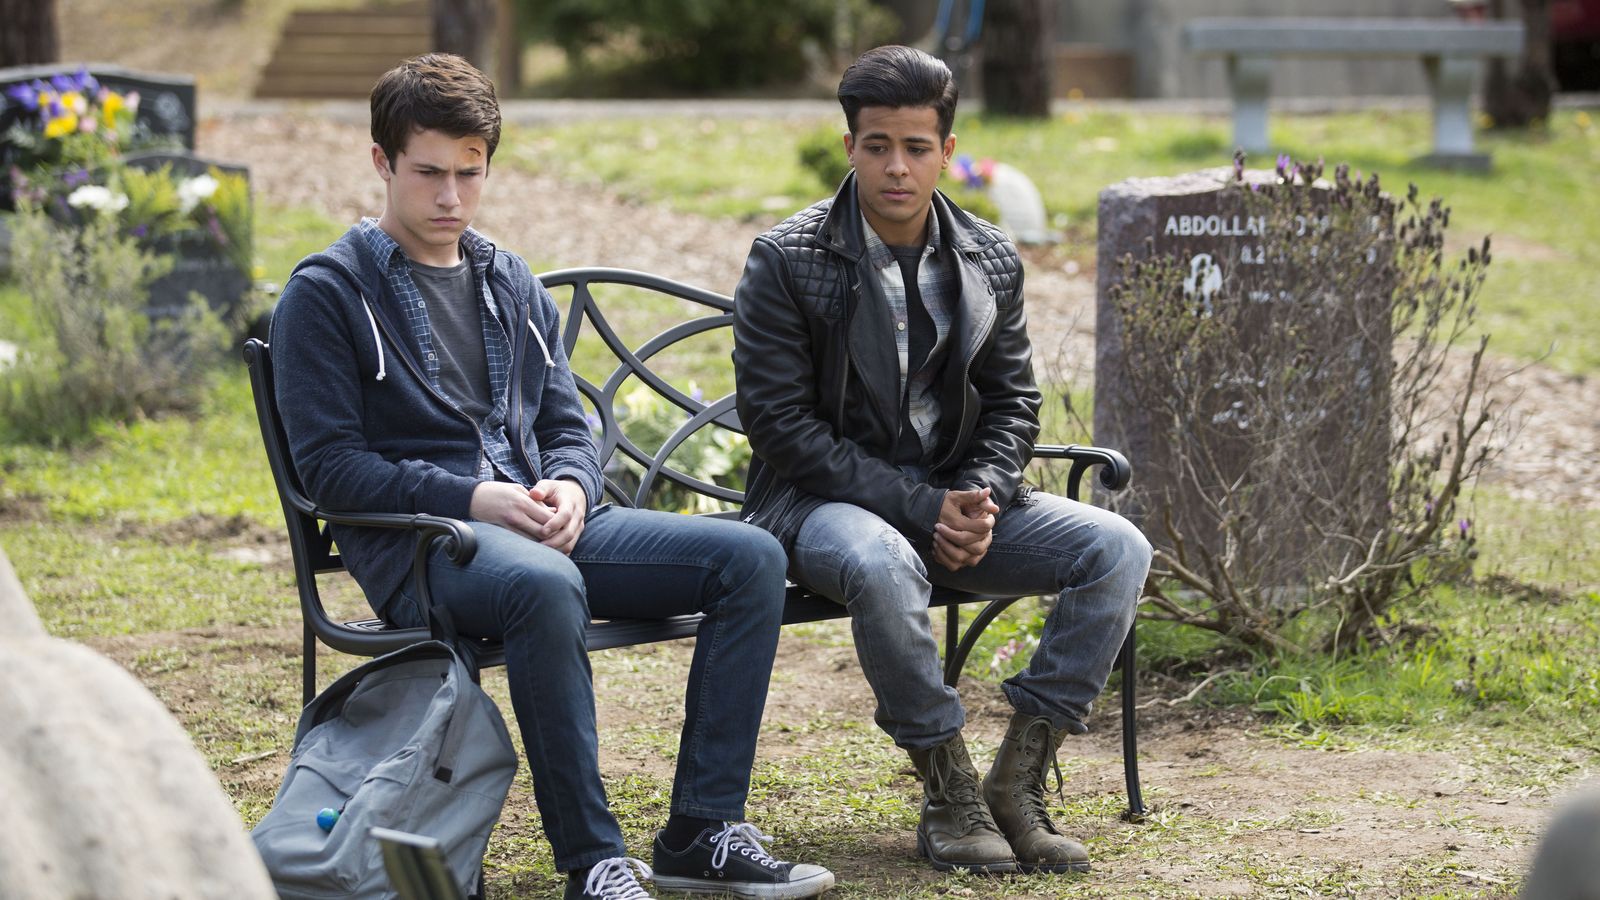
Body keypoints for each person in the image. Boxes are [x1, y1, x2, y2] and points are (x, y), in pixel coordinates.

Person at [270, 53, 833, 900]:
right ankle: (593, 861)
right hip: (429, 545)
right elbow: (331, 470)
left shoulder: (508, 281)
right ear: (382, 161)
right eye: (428, 173)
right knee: (544, 585)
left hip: (539, 523)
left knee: (750, 556)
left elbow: (568, 425)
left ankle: (701, 832)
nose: (451, 196)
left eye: (470, 173)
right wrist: (473, 498)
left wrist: (571, 484)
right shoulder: (328, 294)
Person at [732, 45, 1151, 876]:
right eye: (877, 145)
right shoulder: (789, 259)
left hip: (955, 502)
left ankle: (1016, 783)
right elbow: (781, 428)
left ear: (947, 152)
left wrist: (981, 495)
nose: (897, 167)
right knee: (883, 560)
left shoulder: (988, 256)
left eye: (916, 147)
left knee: (1117, 549)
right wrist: (924, 509)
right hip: (819, 507)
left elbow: (1014, 403)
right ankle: (948, 787)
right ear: (850, 146)